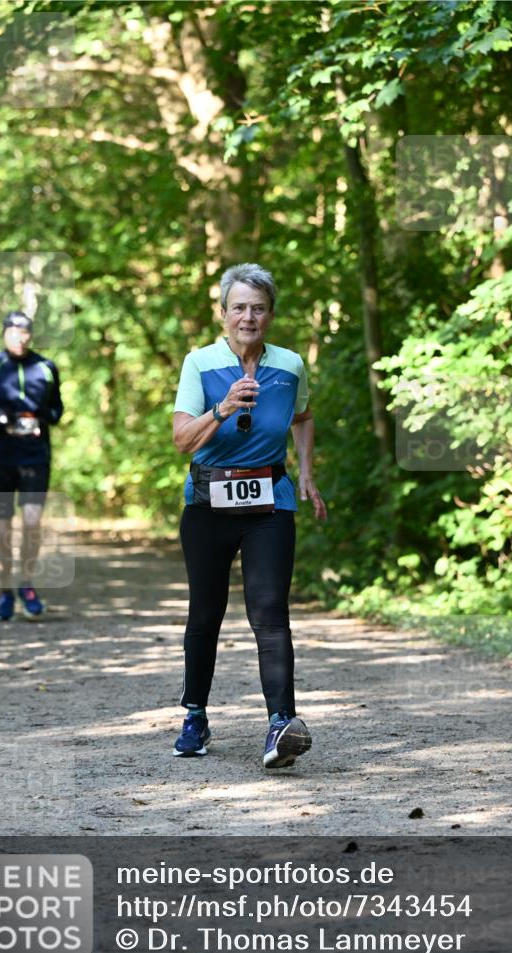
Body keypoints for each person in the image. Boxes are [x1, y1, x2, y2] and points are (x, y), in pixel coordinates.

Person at [172, 263, 327, 769]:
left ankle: (282, 723)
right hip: (208, 502)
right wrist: (221, 409)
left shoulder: (290, 365)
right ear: (223, 313)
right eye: (239, 307)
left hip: (270, 502)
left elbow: (302, 416)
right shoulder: (199, 363)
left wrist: (304, 471)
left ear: (271, 315)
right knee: (206, 613)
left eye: (258, 308)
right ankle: (194, 715)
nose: (248, 316)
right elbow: (181, 439)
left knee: (269, 612)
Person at [0, 311, 63, 621]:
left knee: (32, 524)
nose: (20, 337)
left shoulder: (45, 368)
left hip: (35, 458)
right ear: (5, 334)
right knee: (2, 530)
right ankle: (5, 592)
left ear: (31, 335)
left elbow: (58, 408)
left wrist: (42, 415)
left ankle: (27, 585)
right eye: (13, 331)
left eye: (25, 332)